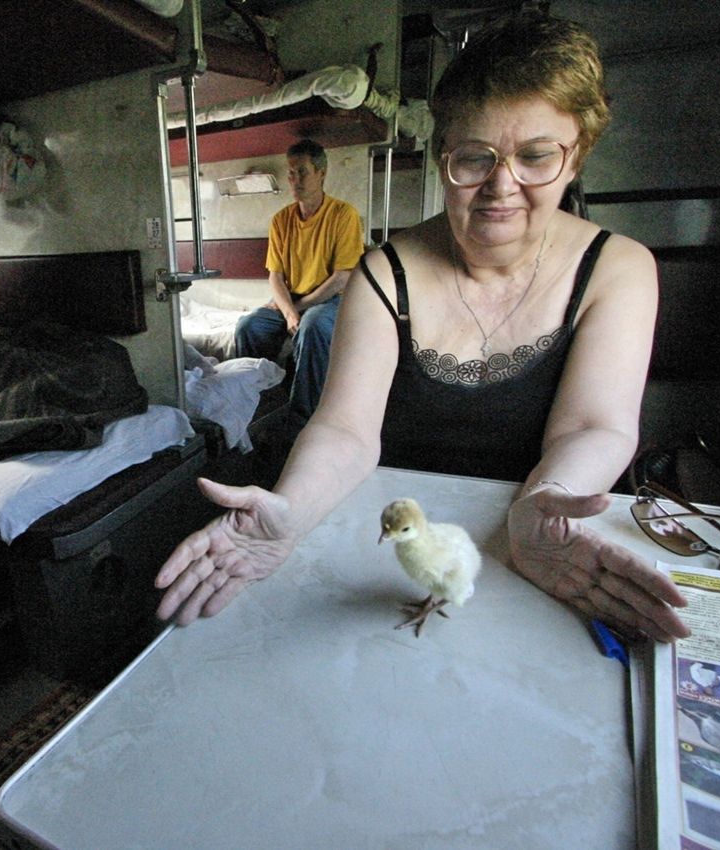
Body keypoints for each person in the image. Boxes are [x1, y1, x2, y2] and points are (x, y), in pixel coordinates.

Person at [155, 12, 690, 643]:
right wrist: (292, 510)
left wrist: (543, 506)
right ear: (443, 157)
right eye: (475, 158)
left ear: (576, 158)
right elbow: (346, 429)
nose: (502, 186)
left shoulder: (618, 268)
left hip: (543, 555)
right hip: (393, 558)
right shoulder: (385, 273)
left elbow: (591, 426)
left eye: (536, 157)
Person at [234, 139, 364, 425]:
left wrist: (296, 310)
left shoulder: (344, 215)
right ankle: (256, 403)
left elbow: (342, 277)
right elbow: (275, 276)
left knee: (313, 324)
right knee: (248, 327)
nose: (295, 180)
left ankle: (303, 417)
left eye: (302, 172)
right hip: (292, 299)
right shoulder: (281, 220)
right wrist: (287, 309)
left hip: (331, 299)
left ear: (321, 173)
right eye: (291, 174)